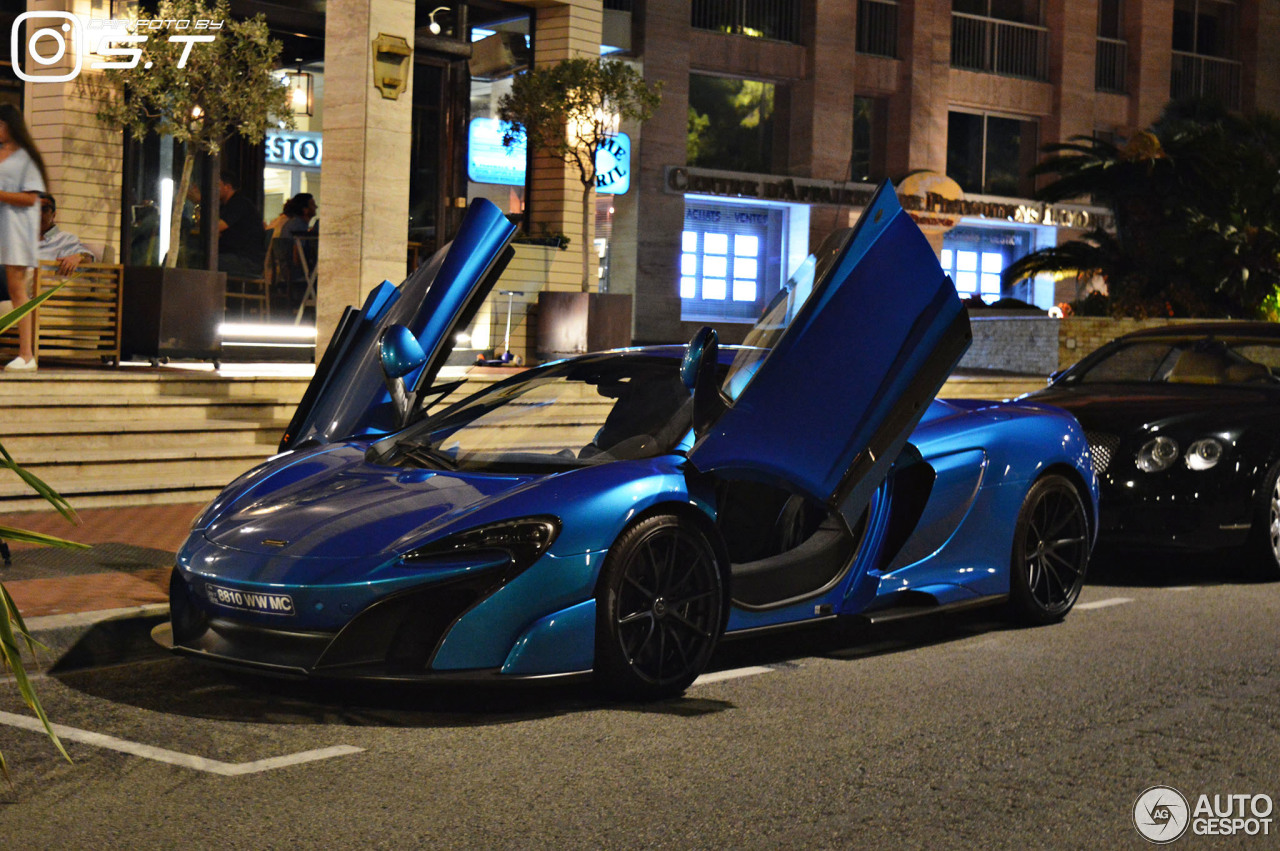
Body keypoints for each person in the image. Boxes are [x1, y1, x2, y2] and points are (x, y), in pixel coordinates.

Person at [0, 103, 49, 372]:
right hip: (3, 230)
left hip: (17, 232)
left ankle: (27, 354)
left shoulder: (25, 158)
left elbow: (31, 197)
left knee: (18, 292)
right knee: (13, 290)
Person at [216, 173, 265, 278]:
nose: (214, 189)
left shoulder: (238, 203)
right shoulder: (226, 205)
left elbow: (216, 227)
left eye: (217, 186)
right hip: (235, 255)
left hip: (246, 260)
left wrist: (199, 201)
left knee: (202, 260)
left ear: (227, 187)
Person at [38, 193, 97, 275]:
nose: (39, 214)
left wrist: (79, 257)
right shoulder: (22, 239)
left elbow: (88, 257)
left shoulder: (64, 239)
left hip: (42, 284)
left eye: (45, 209)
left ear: (53, 214)